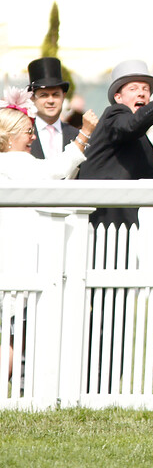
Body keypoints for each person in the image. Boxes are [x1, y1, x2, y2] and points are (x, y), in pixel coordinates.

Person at [0, 87, 97, 382]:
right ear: (11, 136)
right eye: (28, 132)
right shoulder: (18, 163)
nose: (32, 138)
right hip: (18, 258)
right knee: (13, 336)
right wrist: (85, 133)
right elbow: (58, 169)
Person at [77, 60, 153, 228]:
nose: (141, 93)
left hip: (126, 224)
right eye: (133, 89)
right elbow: (131, 125)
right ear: (118, 97)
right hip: (104, 222)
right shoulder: (114, 114)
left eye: (145, 89)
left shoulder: (139, 135)